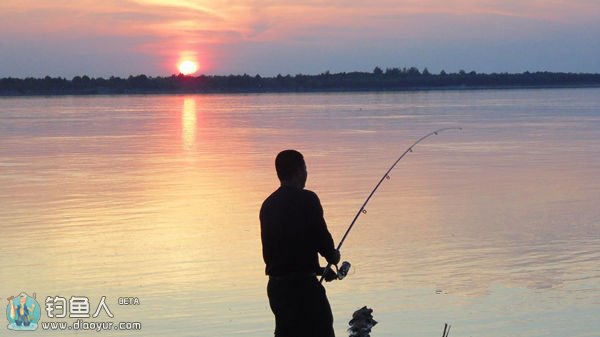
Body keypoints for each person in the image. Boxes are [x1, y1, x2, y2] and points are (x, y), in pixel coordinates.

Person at [260, 149, 341, 337]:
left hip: (277, 288)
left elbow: (279, 254)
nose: (306, 173)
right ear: (298, 171)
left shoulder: (268, 205)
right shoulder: (308, 199)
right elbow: (321, 238)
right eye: (305, 168)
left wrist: (319, 270)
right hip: (303, 288)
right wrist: (332, 256)